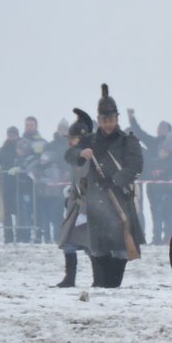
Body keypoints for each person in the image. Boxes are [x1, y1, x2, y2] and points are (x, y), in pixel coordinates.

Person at [64, 84, 145, 288]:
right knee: (98, 248)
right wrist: (81, 153)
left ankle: (113, 285)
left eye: (111, 119)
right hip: (96, 201)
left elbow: (135, 164)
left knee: (120, 248)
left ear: (117, 119)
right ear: (99, 120)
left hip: (119, 199)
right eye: (104, 120)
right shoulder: (89, 141)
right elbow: (69, 155)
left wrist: (116, 180)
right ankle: (100, 284)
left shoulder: (128, 141)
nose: (108, 124)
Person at [56, 109, 95, 287]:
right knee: (69, 243)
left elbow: (88, 186)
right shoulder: (77, 154)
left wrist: (85, 211)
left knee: (91, 246)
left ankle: (98, 279)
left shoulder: (88, 156)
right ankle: (69, 279)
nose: (69, 141)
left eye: (72, 138)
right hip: (76, 206)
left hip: (85, 208)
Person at [0, 126, 23, 242]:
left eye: (13, 134)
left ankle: (20, 235)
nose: (11, 136)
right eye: (10, 134)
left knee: (19, 211)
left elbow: (24, 160)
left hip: (19, 184)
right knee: (6, 211)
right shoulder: (3, 149)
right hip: (5, 183)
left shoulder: (21, 147)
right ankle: (8, 236)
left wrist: (20, 167)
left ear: (17, 135)